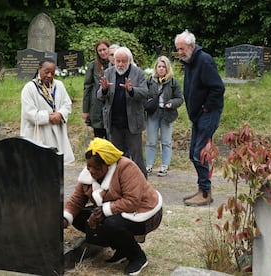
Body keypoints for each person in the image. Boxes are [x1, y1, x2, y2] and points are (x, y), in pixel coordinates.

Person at [63, 138, 162, 275]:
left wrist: (102, 211)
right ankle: (122, 249)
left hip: (144, 212)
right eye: (88, 167)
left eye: (97, 168)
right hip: (116, 210)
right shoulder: (89, 174)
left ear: (108, 165)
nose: (92, 171)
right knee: (79, 217)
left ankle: (138, 257)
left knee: (112, 224)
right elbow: (76, 200)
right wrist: (65, 217)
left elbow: (132, 201)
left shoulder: (127, 168)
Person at [174, 30, 225, 206]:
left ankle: (205, 193)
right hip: (198, 115)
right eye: (177, 49)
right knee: (193, 154)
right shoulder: (190, 61)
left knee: (199, 154)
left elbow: (218, 88)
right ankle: (203, 189)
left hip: (208, 114)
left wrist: (206, 107)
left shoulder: (204, 60)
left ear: (191, 46)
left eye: (181, 49)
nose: (179, 53)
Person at [97, 46, 148, 178]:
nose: (120, 64)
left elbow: (145, 92)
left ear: (129, 61)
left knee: (137, 156)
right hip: (114, 122)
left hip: (132, 122)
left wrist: (131, 90)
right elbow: (99, 96)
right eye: (117, 61)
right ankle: (118, 182)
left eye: (123, 61)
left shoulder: (138, 73)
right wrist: (103, 90)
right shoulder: (108, 73)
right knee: (116, 156)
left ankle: (142, 183)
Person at [20, 58, 75, 164]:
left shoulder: (59, 85)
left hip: (57, 131)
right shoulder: (29, 88)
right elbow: (28, 113)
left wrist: (60, 114)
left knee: (56, 164)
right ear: (39, 69)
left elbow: (67, 104)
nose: (49, 75)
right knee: (39, 164)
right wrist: (48, 117)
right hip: (39, 133)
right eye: (46, 72)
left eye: (52, 73)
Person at [145, 55, 183, 177]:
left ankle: (164, 166)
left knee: (166, 141)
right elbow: (143, 95)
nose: (161, 69)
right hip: (153, 113)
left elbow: (180, 99)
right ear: (156, 68)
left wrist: (172, 103)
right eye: (159, 66)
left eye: (164, 67)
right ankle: (149, 165)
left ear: (167, 68)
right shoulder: (150, 81)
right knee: (151, 141)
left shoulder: (173, 82)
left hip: (167, 114)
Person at [83, 39, 110, 138]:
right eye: (100, 50)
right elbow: (87, 88)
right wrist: (85, 110)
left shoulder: (115, 64)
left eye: (104, 49)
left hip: (110, 104)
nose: (102, 52)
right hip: (97, 106)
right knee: (98, 138)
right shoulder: (93, 66)